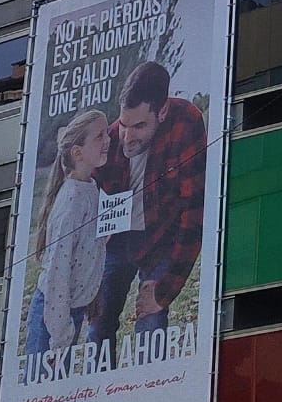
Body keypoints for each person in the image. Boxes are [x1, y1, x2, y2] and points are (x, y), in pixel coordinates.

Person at [88, 61, 206, 350]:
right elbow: (84, 203)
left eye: (139, 125)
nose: (127, 137)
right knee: (97, 326)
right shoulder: (110, 138)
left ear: (162, 111)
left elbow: (194, 215)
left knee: (150, 325)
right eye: (124, 124)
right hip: (116, 240)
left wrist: (163, 291)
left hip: (161, 237)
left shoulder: (186, 122)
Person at [24, 109, 111, 355]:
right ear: (77, 152)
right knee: (43, 391)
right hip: (53, 320)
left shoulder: (91, 189)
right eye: (99, 136)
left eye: (107, 134)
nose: (108, 140)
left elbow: (91, 252)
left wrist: (92, 295)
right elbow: (57, 271)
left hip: (70, 312)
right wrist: (59, 338)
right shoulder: (72, 201)